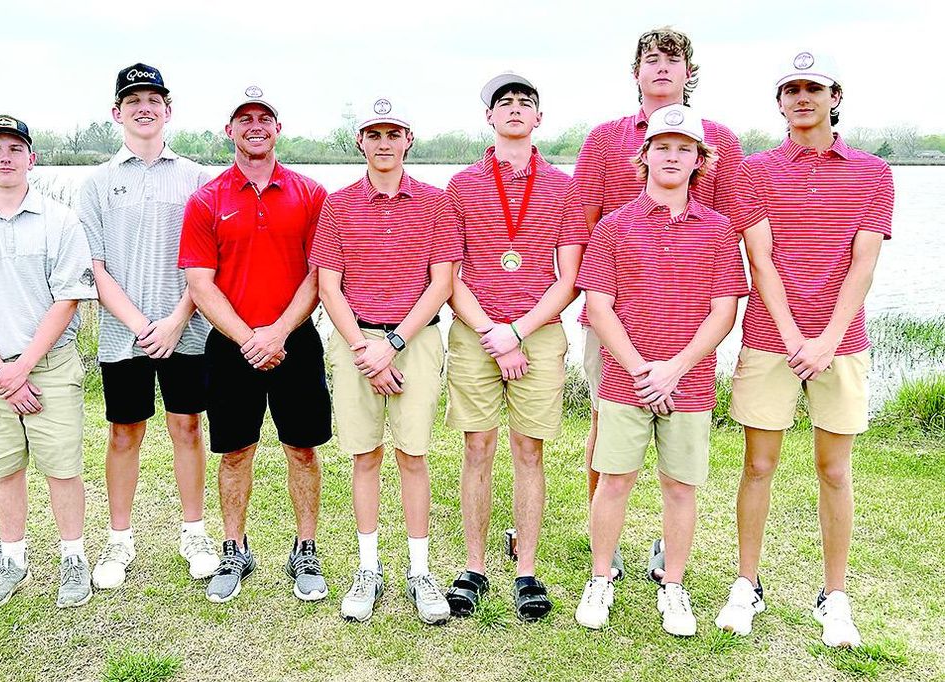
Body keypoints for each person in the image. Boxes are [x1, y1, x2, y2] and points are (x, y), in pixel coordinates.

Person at [715, 51, 894, 649]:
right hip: (772, 341)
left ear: (834, 97)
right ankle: (747, 584)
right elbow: (758, 259)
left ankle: (834, 595)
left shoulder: (872, 172)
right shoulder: (755, 170)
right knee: (759, 465)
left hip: (841, 344)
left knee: (834, 469)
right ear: (780, 103)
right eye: (790, 90)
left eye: (812, 89)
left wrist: (826, 339)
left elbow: (863, 265)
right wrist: (794, 336)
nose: (801, 98)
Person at [573, 26, 743, 582]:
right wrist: (591, 302)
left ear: (690, 72)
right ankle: (608, 547)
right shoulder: (605, 137)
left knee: (679, 446)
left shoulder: (719, 138)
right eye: (652, 60)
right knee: (608, 421)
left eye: (674, 60)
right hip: (615, 308)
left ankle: (668, 557)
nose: (663, 68)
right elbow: (582, 224)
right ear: (636, 73)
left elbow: (726, 221)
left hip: (687, 318)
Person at [179, 86, 332, 604]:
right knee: (235, 451)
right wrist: (250, 339)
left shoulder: (312, 194)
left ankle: (305, 548)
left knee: (303, 449)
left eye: (264, 117)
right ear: (230, 131)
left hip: (295, 341)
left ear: (278, 129)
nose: (255, 126)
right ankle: (234, 548)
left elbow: (320, 275)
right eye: (243, 119)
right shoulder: (207, 198)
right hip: (230, 346)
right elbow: (200, 283)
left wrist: (278, 333)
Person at [443, 73, 586, 621]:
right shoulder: (461, 184)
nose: (515, 109)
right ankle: (475, 566)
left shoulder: (563, 186)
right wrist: (494, 336)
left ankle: (525, 569)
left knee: (529, 451)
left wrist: (518, 332)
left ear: (539, 119)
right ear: (490, 118)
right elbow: (450, 274)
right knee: (477, 447)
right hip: (477, 331)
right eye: (504, 103)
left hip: (537, 334)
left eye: (526, 102)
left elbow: (568, 278)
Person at [312, 98, 459, 625]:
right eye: (373, 134)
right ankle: (368, 568)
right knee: (365, 455)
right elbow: (329, 286)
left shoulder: (437, 204)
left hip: (413, 340)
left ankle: (420, 571)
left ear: (408, 140)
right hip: (355, 341)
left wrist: (392, 344)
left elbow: (442, 283)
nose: (383, 143)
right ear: (360, 143)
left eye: (393, 134)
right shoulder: (338, 204)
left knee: (413, 455)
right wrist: (365, 351)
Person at [75, 63, 218, 590]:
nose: (144, 107)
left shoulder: (198, 178)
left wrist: (178, 319)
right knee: (123, 432)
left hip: (188, 327)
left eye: (154, 99)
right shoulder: (96, 184)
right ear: (117, 112)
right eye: (133, 99)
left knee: (187, 427)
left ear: (167, 110)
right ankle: (118, 542)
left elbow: (207, 264)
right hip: (123, 334)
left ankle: (194, 533)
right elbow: (96, 268)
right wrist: (141, 325)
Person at [0, 115, 98, 610]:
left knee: (61, 467)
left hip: (49, 367)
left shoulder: (60, 220)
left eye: (15, 148)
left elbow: (67, 300)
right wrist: (0, 374)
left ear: (31, 158)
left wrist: (23, 368)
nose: (5, 156)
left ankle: (73, 558)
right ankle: (12, 558)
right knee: (5, 468)